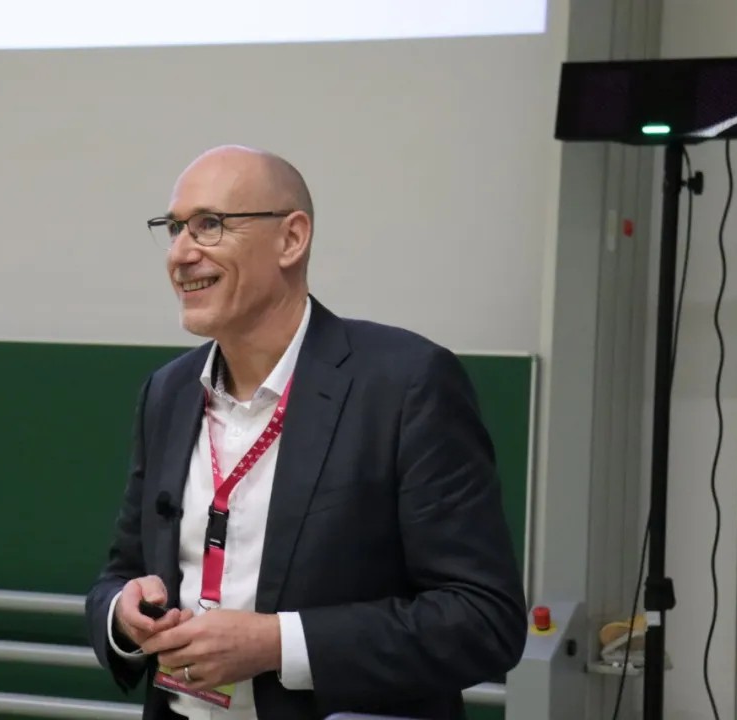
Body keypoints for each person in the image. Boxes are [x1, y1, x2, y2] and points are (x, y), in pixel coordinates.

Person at [85, 145, 527, 720]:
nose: (181, 254)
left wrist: (278, 644)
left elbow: (482, 620)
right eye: (174, 229)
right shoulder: (168, 392)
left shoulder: (405, 385)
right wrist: (122, 617)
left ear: (291, 239)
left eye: (209, 224)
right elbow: (120, 572)